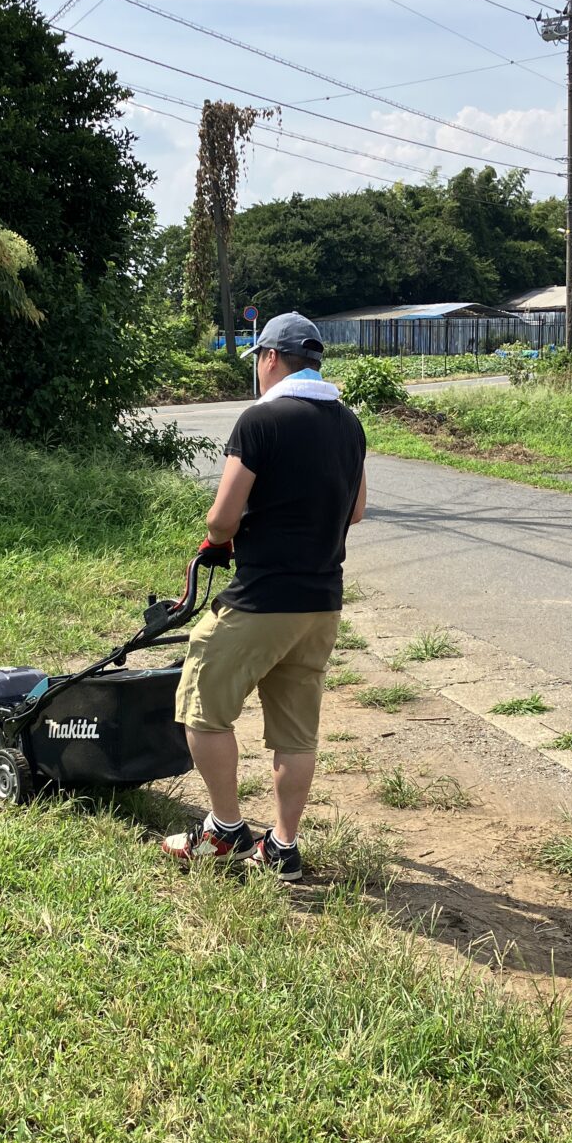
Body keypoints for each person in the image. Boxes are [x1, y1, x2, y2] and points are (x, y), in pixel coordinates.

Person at [163, 311, 367, 882]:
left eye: (257, 359)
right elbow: (356, 510)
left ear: (270, 358)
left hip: (261, 598)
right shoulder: (349, 425)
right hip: (322, 601)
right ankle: (282, 847)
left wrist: (227, 532)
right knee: (295, 731)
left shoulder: (260, 420)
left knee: (201, 704)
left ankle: (224, 831)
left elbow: (223, 520)